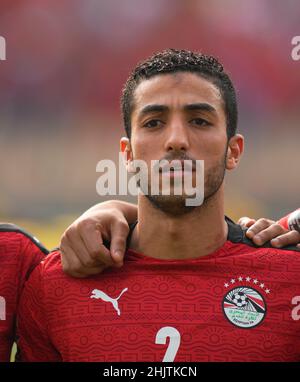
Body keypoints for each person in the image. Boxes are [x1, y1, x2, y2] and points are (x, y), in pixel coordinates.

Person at [17, 49, 300, 362]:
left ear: (233, 151)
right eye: (153, 123)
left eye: (199, 121)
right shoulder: (55, 286)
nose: (176, 139)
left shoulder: (290, 279)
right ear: (127, 155)